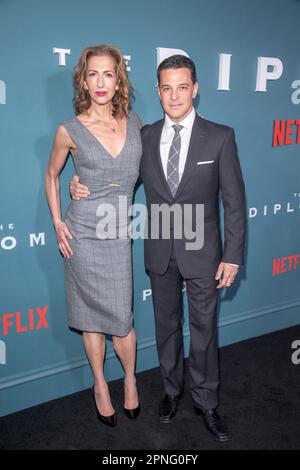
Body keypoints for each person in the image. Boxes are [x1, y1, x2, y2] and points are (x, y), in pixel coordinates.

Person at [70, 54, 246, 441]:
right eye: (167, 88)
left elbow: (234, 201)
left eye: (182, 87)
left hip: (204, 252)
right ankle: (171, 392)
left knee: (204, 331)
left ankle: (206, 401)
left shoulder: (220, 135)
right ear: (158, 91)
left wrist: (233, 254)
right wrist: (77, 185)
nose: (175, 95)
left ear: (195, 89)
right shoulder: (144, 135)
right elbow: (115, 177)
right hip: (160, 249)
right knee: (166, 329)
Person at [45, 45, 142, 428]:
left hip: (118, 233)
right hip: (83, 232)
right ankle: (101, 386)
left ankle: (130, 380)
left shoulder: (134, 123)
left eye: (108, 74)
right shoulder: (69, 129)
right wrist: (57, 220)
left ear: (119, 79)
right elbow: (51, 174)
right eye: (92, 74)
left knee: (122, 320)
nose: (100, 82)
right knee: (91, 320)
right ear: (83, 80)